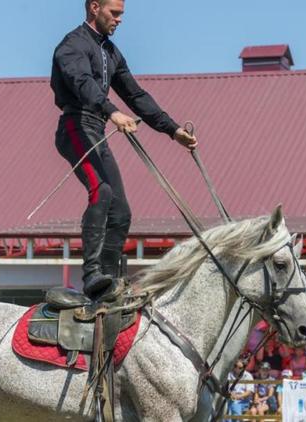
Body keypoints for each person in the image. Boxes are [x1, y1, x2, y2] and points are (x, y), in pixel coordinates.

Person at [51, 0, 197, 299]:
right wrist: (111, 112)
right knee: (101, 191)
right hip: (75, 127)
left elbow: (135, 94)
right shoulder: (72, 45)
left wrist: (173, 130)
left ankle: (108, 282)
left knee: (121, 212)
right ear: (94, 8)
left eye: (121, 14)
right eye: (114, 13)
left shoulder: (111, 52)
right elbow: (81, 83)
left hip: (97, 129)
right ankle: (92, 274)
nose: (119, 20)